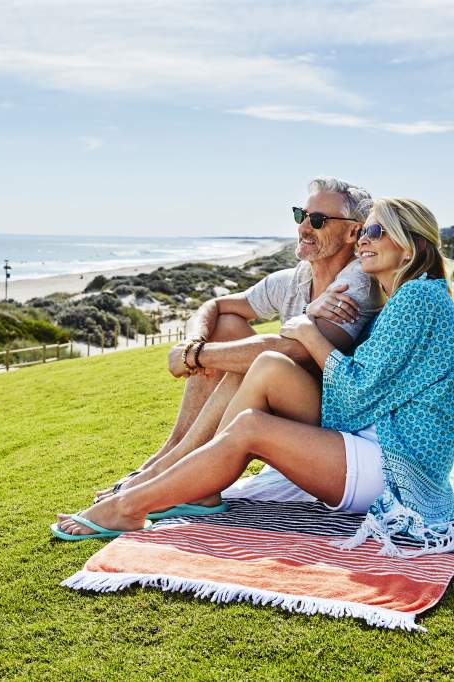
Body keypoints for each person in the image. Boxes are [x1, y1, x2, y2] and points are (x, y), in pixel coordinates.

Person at [53, 197, 454, 557]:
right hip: (375, 443)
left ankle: (130, 506)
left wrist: (308, 331)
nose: (364, 240)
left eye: (377, 231)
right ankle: (191, 486)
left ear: (411, 247)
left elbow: (353, 394)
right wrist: (310, 320)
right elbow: (362, 392)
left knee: (250, 427)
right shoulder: (410, 297)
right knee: (259, 378)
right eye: (365, 230)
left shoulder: (417, 298)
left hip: (395, 468)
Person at [95, 176, 384, 502]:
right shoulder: (296, 279)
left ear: (353, 231)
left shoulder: (357, 283)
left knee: (257, 363)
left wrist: (197, 355)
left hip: (329, 419)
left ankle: (169, 474)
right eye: (300, 215)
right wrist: (193, 342)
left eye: (317, 220)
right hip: (287, 394)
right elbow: (215, 306)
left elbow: (297, 351)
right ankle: (167, 456)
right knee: (228, 325)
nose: (304, 227)